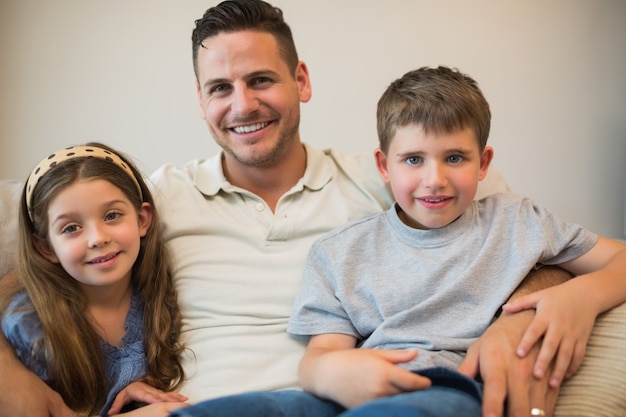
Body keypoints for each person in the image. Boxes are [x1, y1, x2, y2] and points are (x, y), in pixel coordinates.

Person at [0, 1, 577, 417]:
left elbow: (514, 239)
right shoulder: (156, 199)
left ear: (301, 80)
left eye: (261, 79)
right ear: (200, 100)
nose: (242, 104)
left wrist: (519, 318)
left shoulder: (394, 179)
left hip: (347, 399)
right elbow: (31, 276)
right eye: (220, 87)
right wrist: (11, 380)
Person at [166, 66, 626, 417]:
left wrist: (580, 296)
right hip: (348, 394)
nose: (435, 179)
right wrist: (337, 374)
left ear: (483, 162)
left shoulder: (517, 221)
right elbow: (321, 356)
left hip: (449, 390)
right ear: (384, 166)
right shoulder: (341, 252)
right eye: (413, 159)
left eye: (455, 157)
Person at [0, 143, 189, 417]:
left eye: (112, 215)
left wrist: (136, 386)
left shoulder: (158, 297)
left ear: (142, 220)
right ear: (46, 248)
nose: (98, 238)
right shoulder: (29, 326)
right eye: (71, 228)